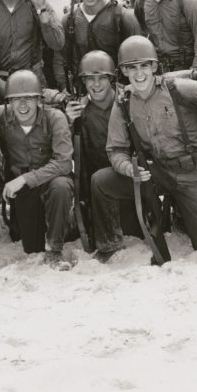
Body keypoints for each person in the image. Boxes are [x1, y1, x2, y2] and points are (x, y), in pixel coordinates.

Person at [104, 36, 197, 258]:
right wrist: (128, 168)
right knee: (101, 181)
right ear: (124, 71)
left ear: (154, 66)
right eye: (131, 68)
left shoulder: (178, 88)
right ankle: (110, 241)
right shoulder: (123, 101)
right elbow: (115, 149)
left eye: (144, 65)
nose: (139, 73)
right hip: (161, 172)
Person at [0, 70, 75, 270]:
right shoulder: (0, 116)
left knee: (61, 187)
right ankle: (58, 227)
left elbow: (64, 163)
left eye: (28, 98)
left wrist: (25, 179)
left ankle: (55, 250)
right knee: (31, 246)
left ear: (39, 99)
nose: (22, 105)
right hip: (21, 184)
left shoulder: (55, 117)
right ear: (8, 102)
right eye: (16, 99)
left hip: (50, 178)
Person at [64, 51, 141, 260]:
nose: (96, 84)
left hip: (128, 177)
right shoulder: (81, 111)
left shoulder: (128, 99)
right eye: (90, 79)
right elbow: (66, 152)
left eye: (102, 78)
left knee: (135, 230)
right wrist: (69, 123)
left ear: (111, 79)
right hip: (95, 185)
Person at [54, 0, 141, 89]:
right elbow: (60, 59)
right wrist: (64, 89)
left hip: (118, 92)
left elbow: (138, 59)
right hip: (82, 92)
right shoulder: (69, 20)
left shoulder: (123, 17)